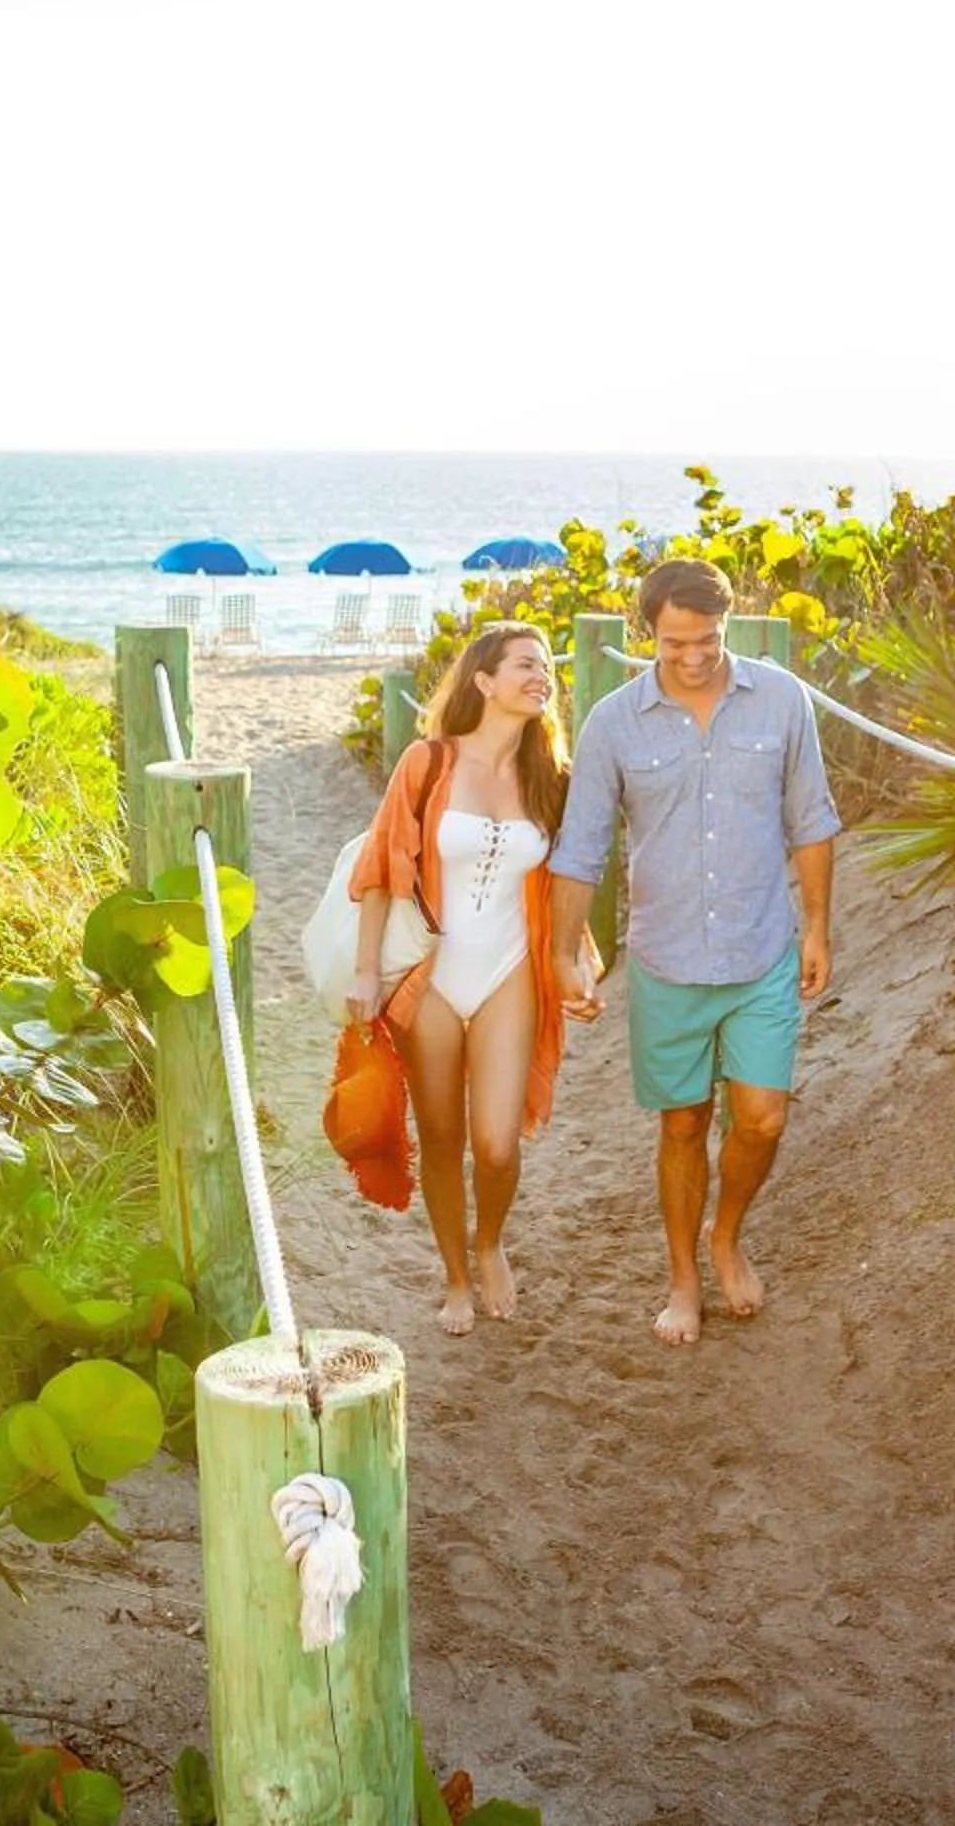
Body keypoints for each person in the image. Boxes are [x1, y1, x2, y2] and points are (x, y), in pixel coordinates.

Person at [549, 559, 840, 1346]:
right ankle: (683, 1276)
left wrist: (817, 927)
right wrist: (564, 953)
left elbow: (812, 819)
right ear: (648, 631)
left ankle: (726, 1235)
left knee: (763, 1119)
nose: (693, 656)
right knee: (683, 1123)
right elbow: (581, 848)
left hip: (760, 948)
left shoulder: (782, 699)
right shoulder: (613, 722)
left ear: (726, 624)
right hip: (667, 957)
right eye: (675, 642)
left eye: (707, 639)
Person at [348, 621, 587, 1335]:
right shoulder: (427, 763)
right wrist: (366, 971)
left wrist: (576, 962)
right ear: (483, 680)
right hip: (432, 975)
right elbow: (382, 867)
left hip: (509, 971)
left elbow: (568, 883)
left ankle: (491, 1244)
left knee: (497, 1144)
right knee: (442, 1134)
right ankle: (456, 1274)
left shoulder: (551, 779)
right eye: (524, 665)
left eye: (546, 668)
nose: (541, 677)